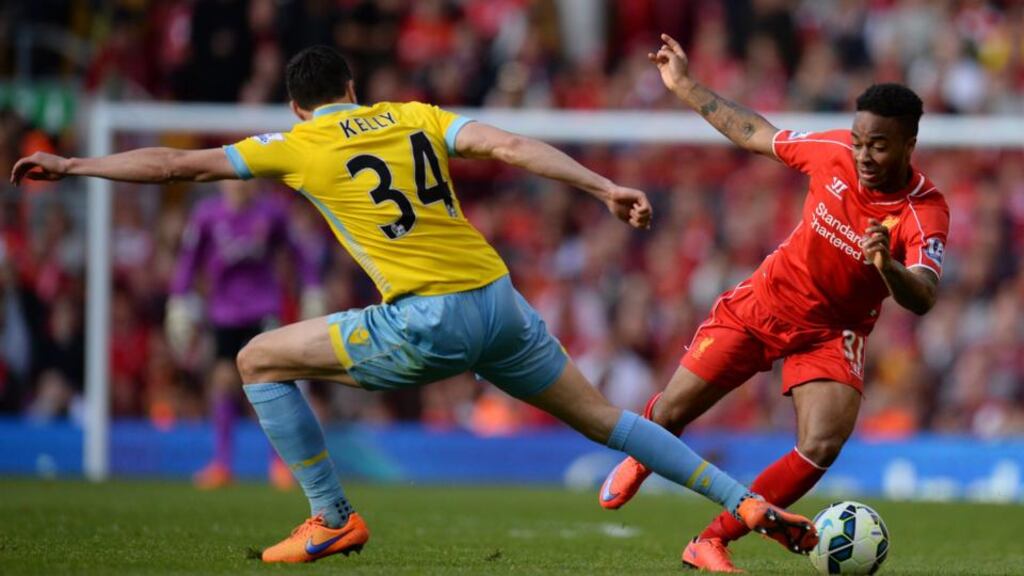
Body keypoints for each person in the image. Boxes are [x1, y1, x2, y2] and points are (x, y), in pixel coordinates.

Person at [11, 45, 817, 565]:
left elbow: (175, 167)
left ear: (299, 108)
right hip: (500, 302)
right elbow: (507, 145)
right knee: (609, 421)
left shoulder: (297, 144)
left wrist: (77, 165)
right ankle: (740, 500)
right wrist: (602, 185)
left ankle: (330, 516)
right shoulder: (415, 116)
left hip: (428, 319)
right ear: (355, 88)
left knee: (257, 359)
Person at [598, 35, 949, 572]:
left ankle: (710, 541)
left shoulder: (924, 211)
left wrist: (889, 267)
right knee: (671, 412)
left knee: (822, 444)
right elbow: (755, 132)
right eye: (858, 141)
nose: (863, 156)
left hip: (834, 330)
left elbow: (923, 295)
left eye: (878, 145)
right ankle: (643, 454)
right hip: (765, 303)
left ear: (909, 143)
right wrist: (686, 85)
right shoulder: (832, 153)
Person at [167, 178, 324, 490]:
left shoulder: (272, 213)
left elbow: (297, 253)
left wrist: (312, 288)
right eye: (233, 180)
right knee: (224, 380)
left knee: (272, 382)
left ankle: (279, 463)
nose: (239, 186)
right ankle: (223, 463)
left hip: (264, 309)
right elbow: (189, 261)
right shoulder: (206, 216)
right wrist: (178, 299)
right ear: (222, 184)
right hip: (224, 312)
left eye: (246, 180)